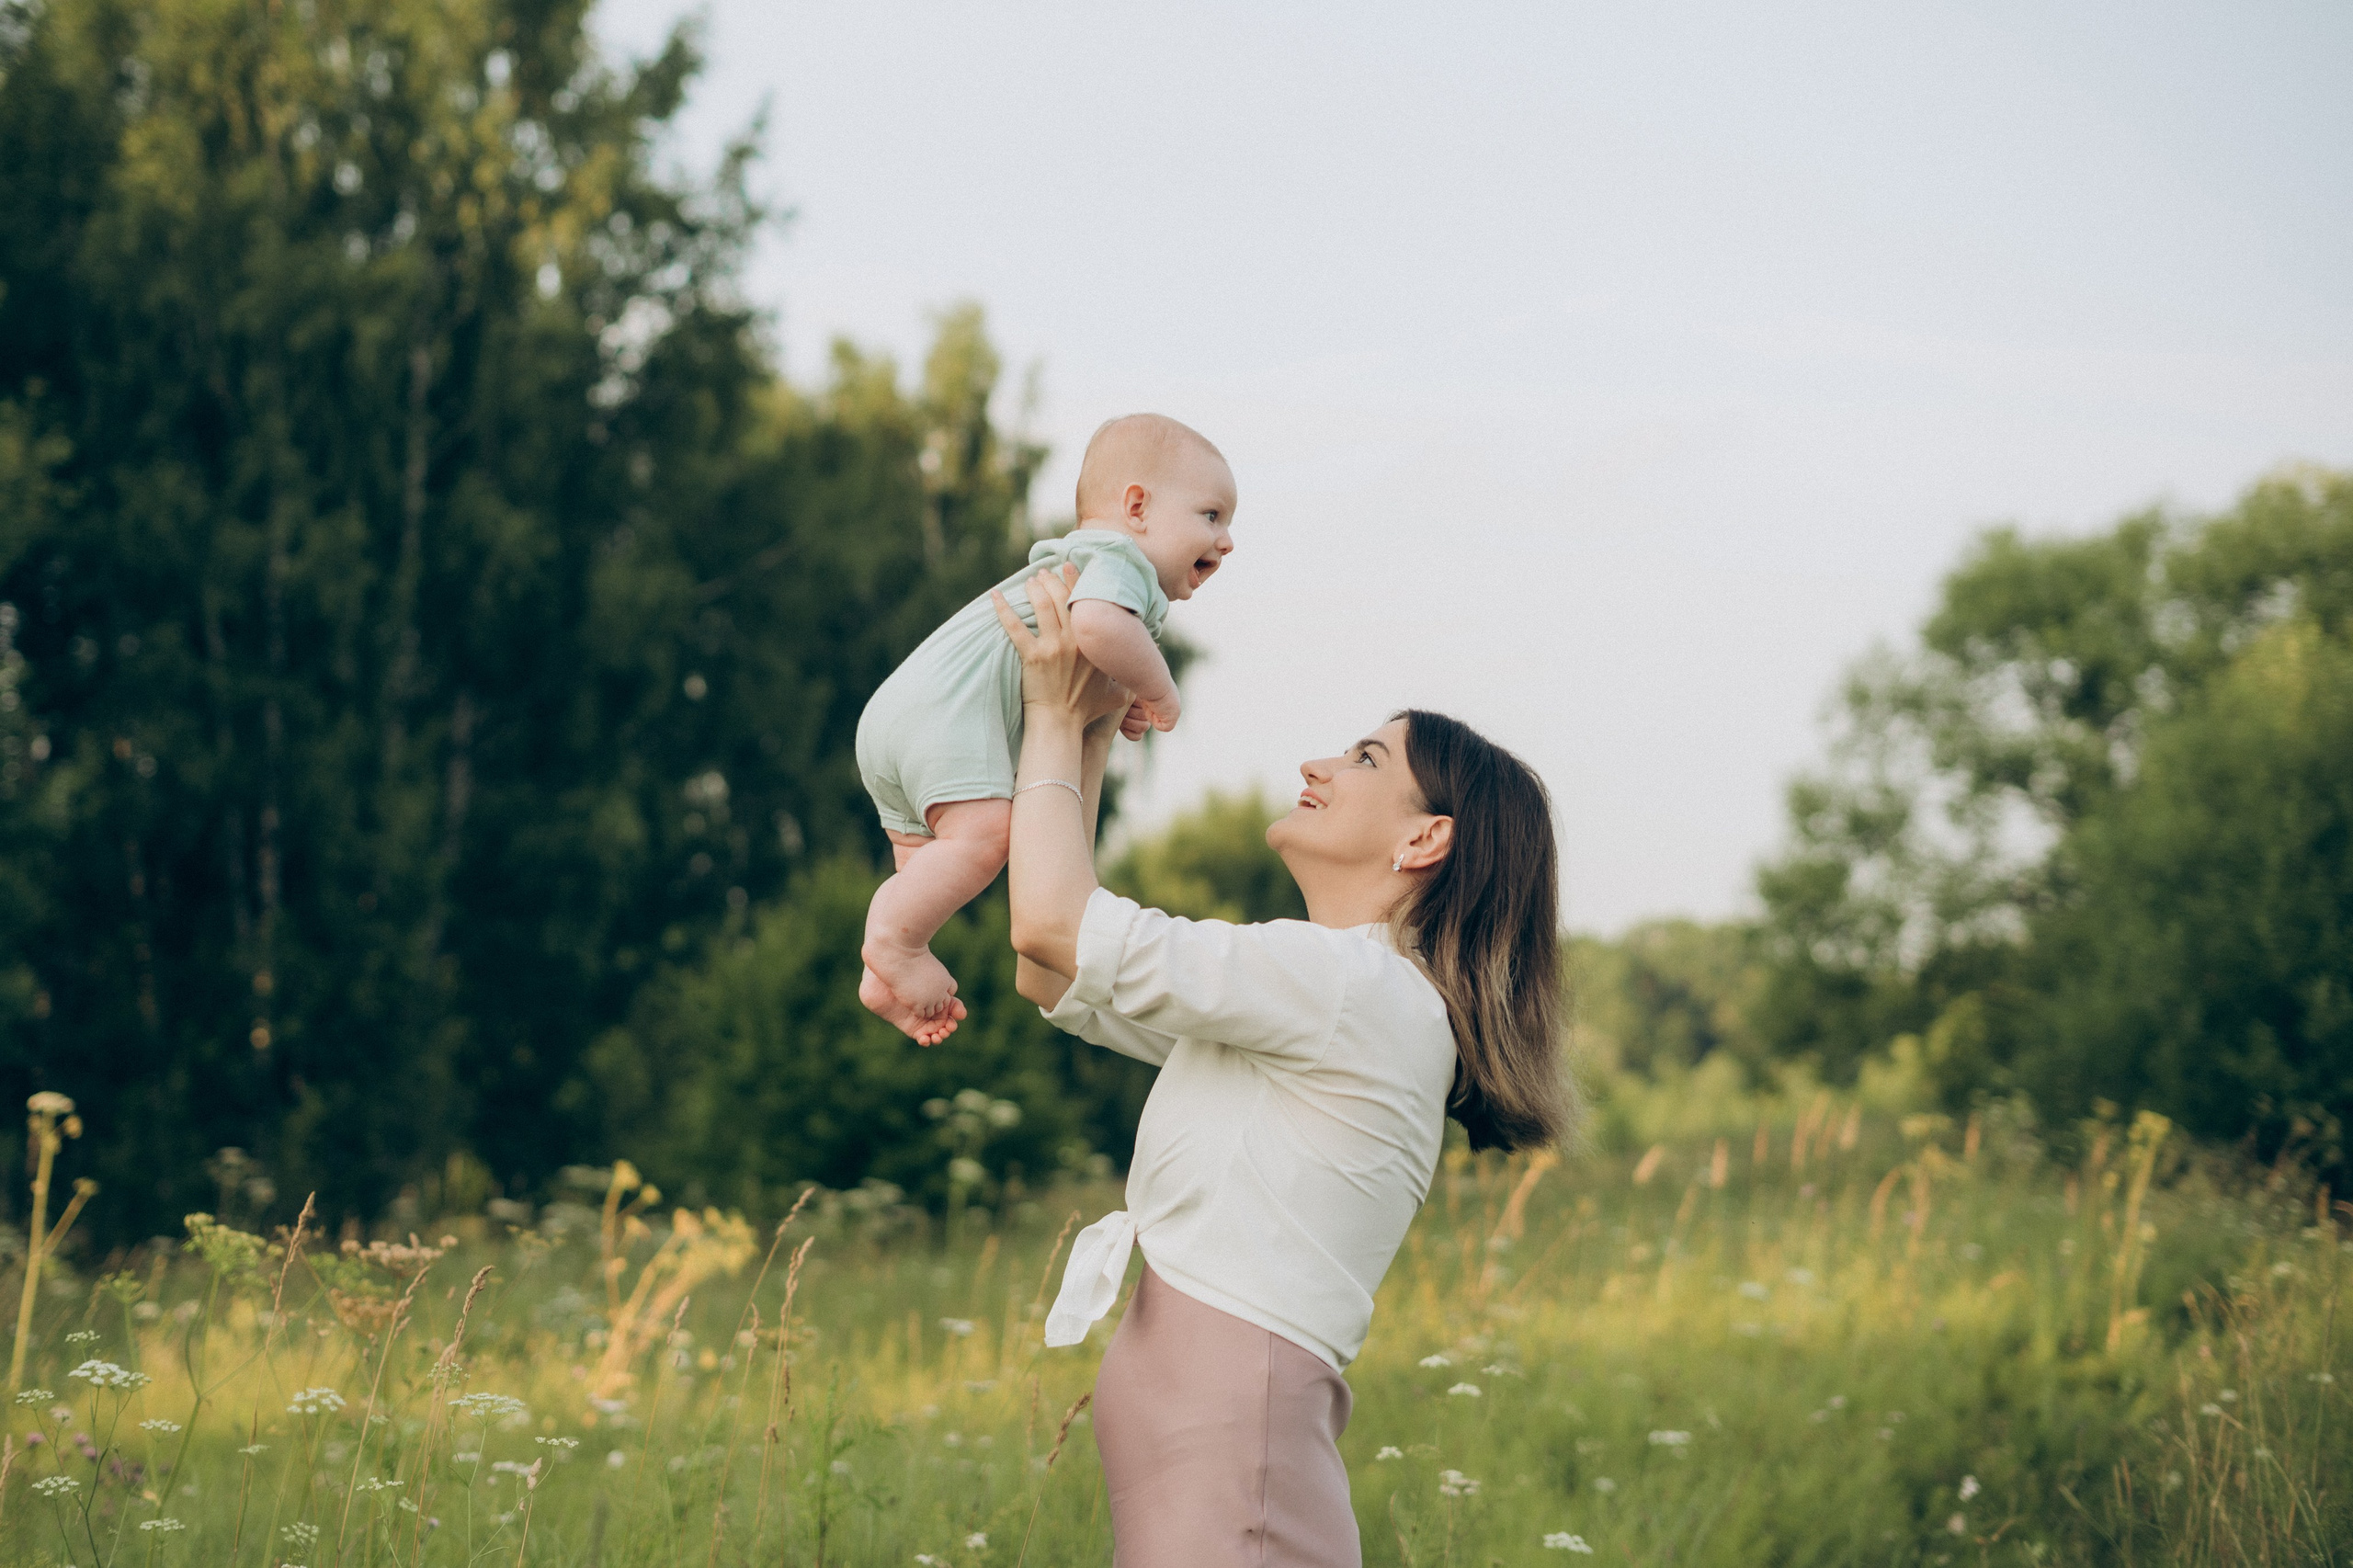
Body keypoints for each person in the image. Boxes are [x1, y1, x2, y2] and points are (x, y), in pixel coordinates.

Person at [992, 567, 1573, 1568]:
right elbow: (1047, 966)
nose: (1317, 763)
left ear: (1423, 836)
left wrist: (1051, 715)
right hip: (1213, 1430)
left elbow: (1051, 921)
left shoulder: (1351, 986)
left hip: (1230, 1431)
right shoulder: (1324, 996)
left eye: (1362, 756)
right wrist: (1086, 734)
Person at [854, 414, 1236, 1045]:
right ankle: (893, 942)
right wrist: (1160, 688)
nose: (1225, 542)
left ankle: (884, 972)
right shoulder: (1119, 562)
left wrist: (1126, 694)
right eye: (1211, 516)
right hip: (943, 718)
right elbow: (1097, 629)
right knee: (986, 838)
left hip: (907, 718)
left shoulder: (1081, 562)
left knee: (932, 868)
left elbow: (1098, 659)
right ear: (1136, 506)